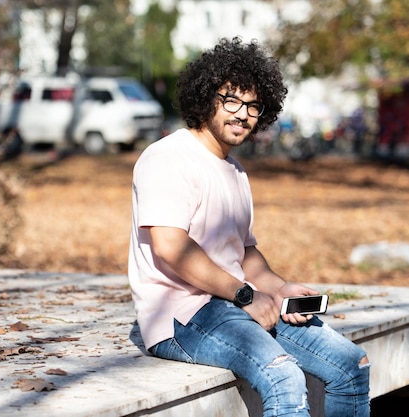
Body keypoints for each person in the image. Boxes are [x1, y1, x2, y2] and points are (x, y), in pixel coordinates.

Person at [128, 37, 370, 417]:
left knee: (350, 365)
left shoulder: (235, 171)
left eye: (254, 106)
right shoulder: (166, 158)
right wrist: (246, 296)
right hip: (181, 316)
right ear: (206, 97)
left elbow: (244, 254)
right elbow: (170, 247)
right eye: (232, 101)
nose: (243, 114)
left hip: (233, 301)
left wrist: (278, 287)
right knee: (283, 376)